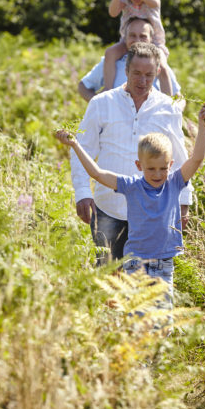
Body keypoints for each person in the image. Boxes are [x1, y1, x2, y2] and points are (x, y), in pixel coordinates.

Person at [55, 102, 205, 304]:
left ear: (171, 165)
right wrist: (76, 144)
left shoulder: (174, 182)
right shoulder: (131, 186)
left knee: (162, 320)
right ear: (139, 166)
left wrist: (203, 126)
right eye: (151, 168)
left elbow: (197, 159)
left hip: (164, 263)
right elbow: (97, 173)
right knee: (138, 316)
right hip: (135, 262)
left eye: (163, 168)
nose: (157, 174)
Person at [71, 41, 193, 263]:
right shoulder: (101, 103)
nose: (142, 80)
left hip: (153, 213)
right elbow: (82, 148)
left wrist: (183, 203)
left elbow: (180, 157)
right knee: (109, 279)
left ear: (157, 73)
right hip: (108, 208)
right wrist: (82, 192)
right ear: (125, 70)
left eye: (148, 74)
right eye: (136, 73)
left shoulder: (168, 107)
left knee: (146, 283)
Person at [78, 17, 178, 102]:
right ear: (125, 38)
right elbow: (83, 86)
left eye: (143, 36)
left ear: (151, 39)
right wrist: (99, 105)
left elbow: (178, 97)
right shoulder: (111, 62)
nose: (137, 41)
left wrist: (172, 112)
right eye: (132, 35)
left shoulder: (158, 64)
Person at [104, 0, 168, 91]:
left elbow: (155, 3)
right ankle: (108, 89)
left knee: (163, 66)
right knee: (110, 53)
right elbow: (113, 12)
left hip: (153, 43)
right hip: (129, 41)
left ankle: (170, 99)